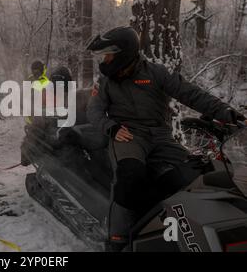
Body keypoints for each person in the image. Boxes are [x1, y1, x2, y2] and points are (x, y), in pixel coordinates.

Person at [86, 26, 246, 251]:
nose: (106, 59)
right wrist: (110, 127)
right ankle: (116, 240)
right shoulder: (105, 82)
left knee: (191, 174)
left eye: (110, 54)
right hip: (128, 134)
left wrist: (226, 113)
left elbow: (191, 93)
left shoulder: (156, 73)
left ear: (124, 55)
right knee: (129, 176)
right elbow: (93, 112)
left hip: (160, 135)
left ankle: (172, 226)